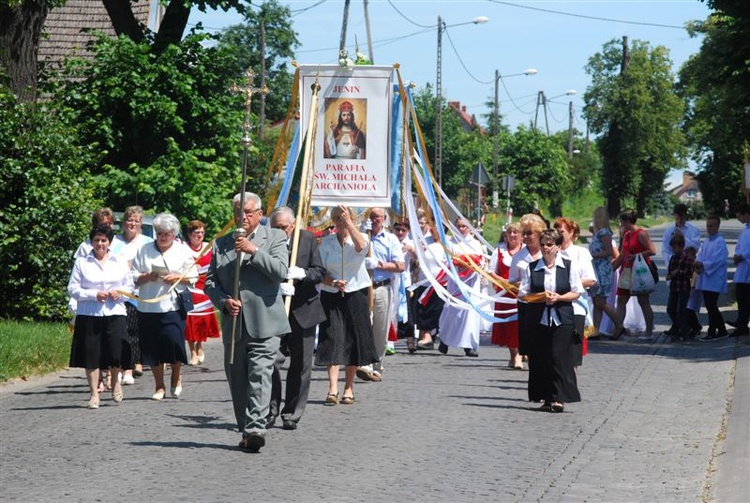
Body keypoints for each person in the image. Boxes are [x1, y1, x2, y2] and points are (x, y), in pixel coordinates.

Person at [204, 193, 290, 453]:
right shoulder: (221, 244)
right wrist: (223, 301)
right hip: (234, 324)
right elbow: (210, 282)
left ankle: (255, 428)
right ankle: (246, 427)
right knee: (238, 379)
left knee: (260, 375)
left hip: (265, 321)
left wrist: (253, 251)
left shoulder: (275, 237)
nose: (242, 217)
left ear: (260, 213)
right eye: (238, 212)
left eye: (249, 212)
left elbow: (280, 272)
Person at [267, 207, 326, 431]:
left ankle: (291, 413)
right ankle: (270, 410)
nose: (280, 231)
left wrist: (302, 275)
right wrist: (276, 284)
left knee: (300, 366)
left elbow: (319, 271)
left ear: (293, 225)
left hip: (304, 310)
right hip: (275, 310)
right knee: (271, 361)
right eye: (276, 227)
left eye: (284, 227)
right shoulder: (267, 240)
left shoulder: (307, 239)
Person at [315, 205, 378, 406]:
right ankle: (332, 387)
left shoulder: (361, 238)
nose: (340, 222)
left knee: (353, 338)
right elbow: (320, 271)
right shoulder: (326, 243)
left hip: (356, 293)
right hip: (332, 294)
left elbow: (361, 247)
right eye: (336, 218)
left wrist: (350, 224)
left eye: (343, 218)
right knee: (332, 338)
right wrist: (332, 282)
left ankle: (349, 387)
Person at [132, 213, 197, 401]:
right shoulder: (144, 249)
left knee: (174, 343)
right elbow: (132, 277)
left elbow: (193, 276)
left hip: (173, 306)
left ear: (174, 234)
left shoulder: (183, 251)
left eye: (167, 233)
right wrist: (146, 277)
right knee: (152, 348)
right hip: (148, 306)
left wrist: (177, 278)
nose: (162, 237)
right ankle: (159, 386)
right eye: (159, 233)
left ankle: (176, 376)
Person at [518, 229, 583, 413]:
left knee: (559, 357)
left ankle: (559, 398)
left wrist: (559, 298)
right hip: (538, 318)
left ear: (558, 247)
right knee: (540, 358)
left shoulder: (569, 266)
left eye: (550, 244)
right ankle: (546, 397)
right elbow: (523, 293)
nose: (546, 248)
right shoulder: (532, 267)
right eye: (543, 244)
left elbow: (576, 292)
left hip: (562, 318)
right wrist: (540, 297)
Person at [68, 226, 133, 409]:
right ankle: (94, 394)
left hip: (115, 312)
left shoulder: (119, 261)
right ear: (91, 242)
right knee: (91, 354)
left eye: (103, 240)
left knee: (115, 351)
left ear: (109, 242)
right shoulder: (82, 262)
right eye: (96, 240)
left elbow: (129, 287)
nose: (100, 244)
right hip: (89, 313)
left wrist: (119, 293)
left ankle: (115, 383)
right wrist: (94, 294)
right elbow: (72, 289)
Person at [357, 208, 404, 381]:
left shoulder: (391, 239)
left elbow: (400, 266)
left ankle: (377, 365)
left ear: (384, 219)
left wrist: (378, 264)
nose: (374, 219)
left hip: (382, 286)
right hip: (363, 286)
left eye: (377, 217)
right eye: (371, 216)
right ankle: (365, 363)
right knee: (363, 325)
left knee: (380, 328)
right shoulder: (361, 237)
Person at [113, 206, 153, 385]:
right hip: (119, 292)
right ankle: (125, 364)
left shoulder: (146, 242)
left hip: (140, 291)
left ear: (140, 224)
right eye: (130, 220)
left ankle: (136, 361)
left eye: (136, 221)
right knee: (123, 330)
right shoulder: (114, 241)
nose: (132, 224)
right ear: (124, 222)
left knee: (137, 330)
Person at [437, 217, 485, 357]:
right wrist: (458, 262)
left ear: (469, 228)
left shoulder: (475, 243)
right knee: (452, 310)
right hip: (455, 281)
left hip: (471, 283)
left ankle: (469, 344)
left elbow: (480, 261)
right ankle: (445, 340)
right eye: (459, 226)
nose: (461, 229)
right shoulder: (450, 242)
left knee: (469, 313)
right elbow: (446, 259)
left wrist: (470, 264)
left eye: (464, 226)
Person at [554, 217, 595, 363]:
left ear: (571, 233)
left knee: (572, 352)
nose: (559, 235)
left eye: (562, 231)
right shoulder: (551, 252)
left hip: (575, 307)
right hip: (553, 308)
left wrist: (566, 285)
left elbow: (590, 280)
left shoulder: (580, 252)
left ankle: (571, 383)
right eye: (556, 232)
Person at [612, 209, 657, 340]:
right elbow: (622, 255)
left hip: (639, 272)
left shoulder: (641, 233)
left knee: (643, 301)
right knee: (621, 300)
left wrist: (637, 255)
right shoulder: (627, 235)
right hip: (626, 272)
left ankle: (649, 332)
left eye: (621, 221)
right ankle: (618, 328)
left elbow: (652, 250)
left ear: (626, 221)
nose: (620, 224)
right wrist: (612, 269)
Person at [509, 213, 547, 358]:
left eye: (529, 233)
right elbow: (512, 281)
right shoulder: (518, 257)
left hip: (547, 303)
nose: (525, 237)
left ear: (539, 233)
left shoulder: (549, 253)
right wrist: (525, 285)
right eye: (523, 233)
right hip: (527, 304)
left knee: (545, 342)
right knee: (530, 343)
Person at [662, 203, 703, 337]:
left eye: (681, 218)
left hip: (686, 272)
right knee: (673, 307)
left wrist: (683, 238)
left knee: (686, 305)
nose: (679, 221)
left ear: (685, 216)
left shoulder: (693, 230)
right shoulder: (669, 231)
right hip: (674, 270)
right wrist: (672, 261)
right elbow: (665, 250)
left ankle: (688, 327)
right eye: (677, 218)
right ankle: (678, 326)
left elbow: (695, 247)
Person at [183, 220, 221, 365]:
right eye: (196, 233)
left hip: (205, 287)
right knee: (190, 322)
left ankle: (199, 346)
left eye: (201, 233)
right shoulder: (184, 249)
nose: (199, 235)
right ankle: (192, 351)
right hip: (189, 287)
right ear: (189, 234)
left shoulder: (208, 247)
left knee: (202, 322)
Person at [489, 222, 523, 369]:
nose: (513, 235)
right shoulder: (499, 251)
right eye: (510, 232)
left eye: (516, 232)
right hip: (504, 293)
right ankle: (514, 355)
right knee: (508, 325)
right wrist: (501, 281)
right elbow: (491, 271)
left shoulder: (526, 251)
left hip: (522, 293)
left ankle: (520, 354)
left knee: (520, 325)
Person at [588, 207, 622, 339]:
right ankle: (595, 330)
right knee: (597, 303)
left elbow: (610, 251)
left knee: (601, 302)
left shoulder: (604, 233)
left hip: (602, 270)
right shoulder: (598, 233)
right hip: (597, 269)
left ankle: (619, 325)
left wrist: (594, 255)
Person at [695, 215, 730, 341]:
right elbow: (700, 255)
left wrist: (703, 264)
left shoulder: (720, 241)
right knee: (710, 305)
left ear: (717, 226)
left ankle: (714, 331)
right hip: (706, 277)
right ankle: (719, 330)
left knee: (711, 304)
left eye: (711, 225)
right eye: (707, 225)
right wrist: (698, 263)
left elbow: (717, 260)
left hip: (715, 277)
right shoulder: (707, 241)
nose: (709, 228)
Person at [414, 212, 446, 350]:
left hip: (440, 283)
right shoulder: (425, 241)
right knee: (422, 310)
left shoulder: (448, 245)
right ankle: (425, 336)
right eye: (432, 227)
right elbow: (418, 258)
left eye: (437, 227)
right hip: (424, 281)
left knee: (436, 311)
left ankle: (434, 337)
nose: (434, 230)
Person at [665, 234, 695, 341]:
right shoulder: (672, 258)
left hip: (683, 288)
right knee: (670, 309)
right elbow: (669, 273)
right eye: (672, 248)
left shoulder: (687, 259)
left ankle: (684, 331)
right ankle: (678, 326)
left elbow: (689, 273)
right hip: (674, 287)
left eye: (675, 247)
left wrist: (678, 272)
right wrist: (669, 276)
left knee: (681, 311)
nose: (674, 250)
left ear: (682, 247)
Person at [394, 220, 418, 353]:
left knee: (408, 311)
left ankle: (410, 339)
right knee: (392, 310)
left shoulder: (410, 242)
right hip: (392, 280)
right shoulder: (390, 240)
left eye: (403, 230)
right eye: (398, 229)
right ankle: (390, 339)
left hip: (405, 281)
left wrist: (411, 249)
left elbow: (417, 258)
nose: (400, 233)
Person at [728, 204, 750, 337]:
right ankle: (741, 322)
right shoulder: (745, 229)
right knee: (741, 296)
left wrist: (744, 256)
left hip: (747, 265)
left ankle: (742, 323)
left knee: (747, 297)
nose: (738, 219)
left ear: (746, 214)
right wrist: (736, 255)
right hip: (743, 268)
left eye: (739, 216)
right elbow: (739, 245)